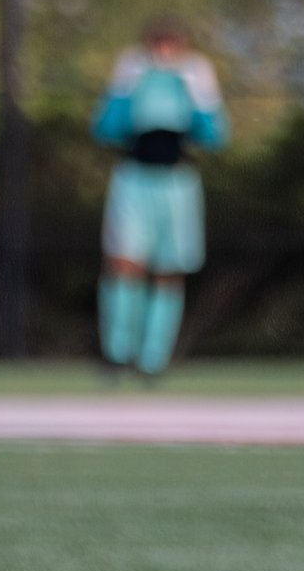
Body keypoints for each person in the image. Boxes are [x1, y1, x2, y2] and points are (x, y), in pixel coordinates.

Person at [93, 19, 227, 382]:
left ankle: (152, 360)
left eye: (173, 44)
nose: (165, 51)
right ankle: (117, 353)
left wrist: (203, 96)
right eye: (159, 44)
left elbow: (215, 137)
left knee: (169, 269)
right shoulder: (135, 75)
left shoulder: (192, 77)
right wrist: (122, 90)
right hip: (134, 179)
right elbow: (104, 129)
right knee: (124, 263)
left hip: (177, 184)